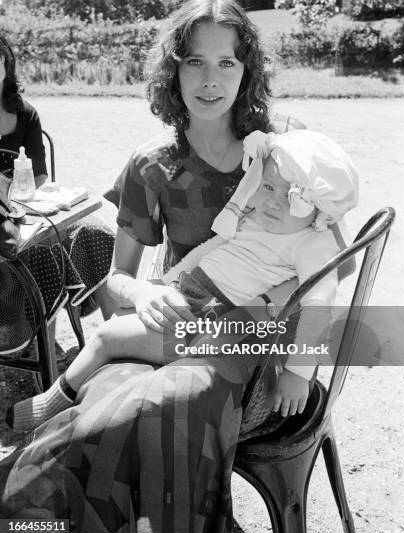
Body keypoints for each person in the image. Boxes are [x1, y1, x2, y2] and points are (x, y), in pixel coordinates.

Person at [0, 0, 352, 533]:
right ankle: (36, 522)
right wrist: (143, 296)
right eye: (195, 61)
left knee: (172, 404)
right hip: (176, 323)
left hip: (250, 352)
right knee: (102, 418)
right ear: (174, 69)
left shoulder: (284, 150)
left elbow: (335, 266)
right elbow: (114, 282)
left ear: (247, 70)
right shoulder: (152, 165)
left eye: (226, 62)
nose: (210, 80)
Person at [7, 129, 358, 431]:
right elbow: (210, 250)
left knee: (107, 337)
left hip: (214, 320)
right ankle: (80, 398)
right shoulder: (260, 219)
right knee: (124, 325)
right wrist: (170, 281)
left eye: (289, 196)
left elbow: (318, 310)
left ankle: (53, 401)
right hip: (192, 296)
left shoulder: (313, 243)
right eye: (267, 186)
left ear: (318, 206)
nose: (271, 202)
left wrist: (299, 371)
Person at [0, 33, 116, 346]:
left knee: (95, 230)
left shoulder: (25, 113)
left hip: (27, 209)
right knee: (40, 254)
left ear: (7, 65)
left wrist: (18, 198)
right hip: (5, 226)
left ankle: (118, 342)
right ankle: (42, 355)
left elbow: (40, 176)